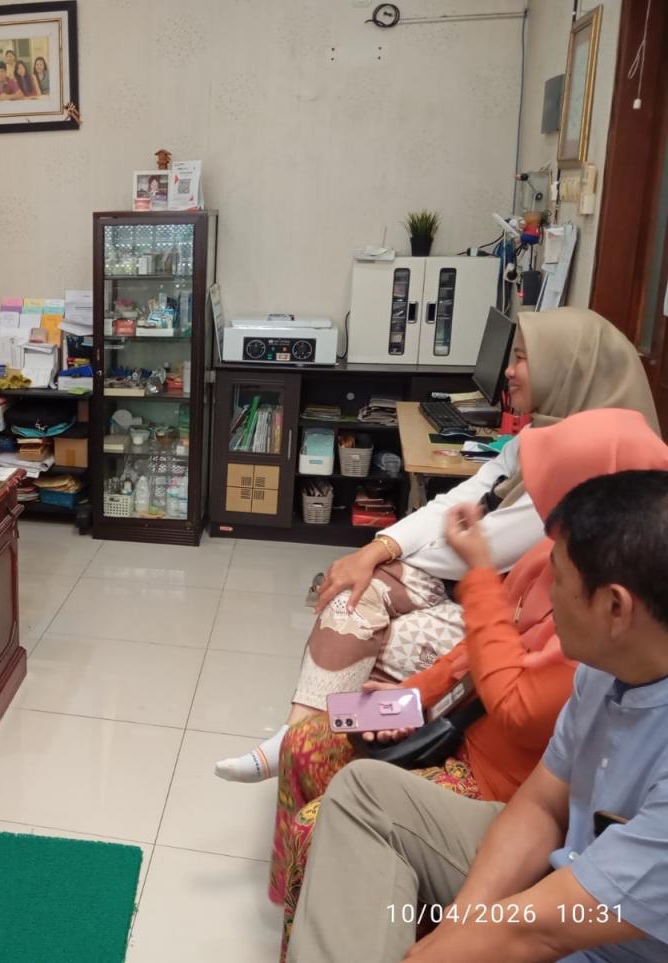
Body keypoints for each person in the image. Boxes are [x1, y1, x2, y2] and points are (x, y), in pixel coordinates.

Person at [271, 408, 668, 960]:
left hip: (580, 911)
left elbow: (542, 930)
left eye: (560, 579)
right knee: (355, 783)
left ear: (615, 607)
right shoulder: (607, 664)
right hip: (539, 842)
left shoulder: (591, 651)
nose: (550, 590)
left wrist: (447, 946)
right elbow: (542, 805)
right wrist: (460, 923)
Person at [216, 308, 659, 784]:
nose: (509, 372)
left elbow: (480, 550)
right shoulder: (539, 437)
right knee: (353, 593)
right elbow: (461, 502)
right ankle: (301, 742)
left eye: (523, 359)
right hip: (486, 599)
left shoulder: (588, 468)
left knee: (365, 619)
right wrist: (379, 550)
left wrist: (390, 558)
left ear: (567, 369)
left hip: (489, 613)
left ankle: (313, 750)